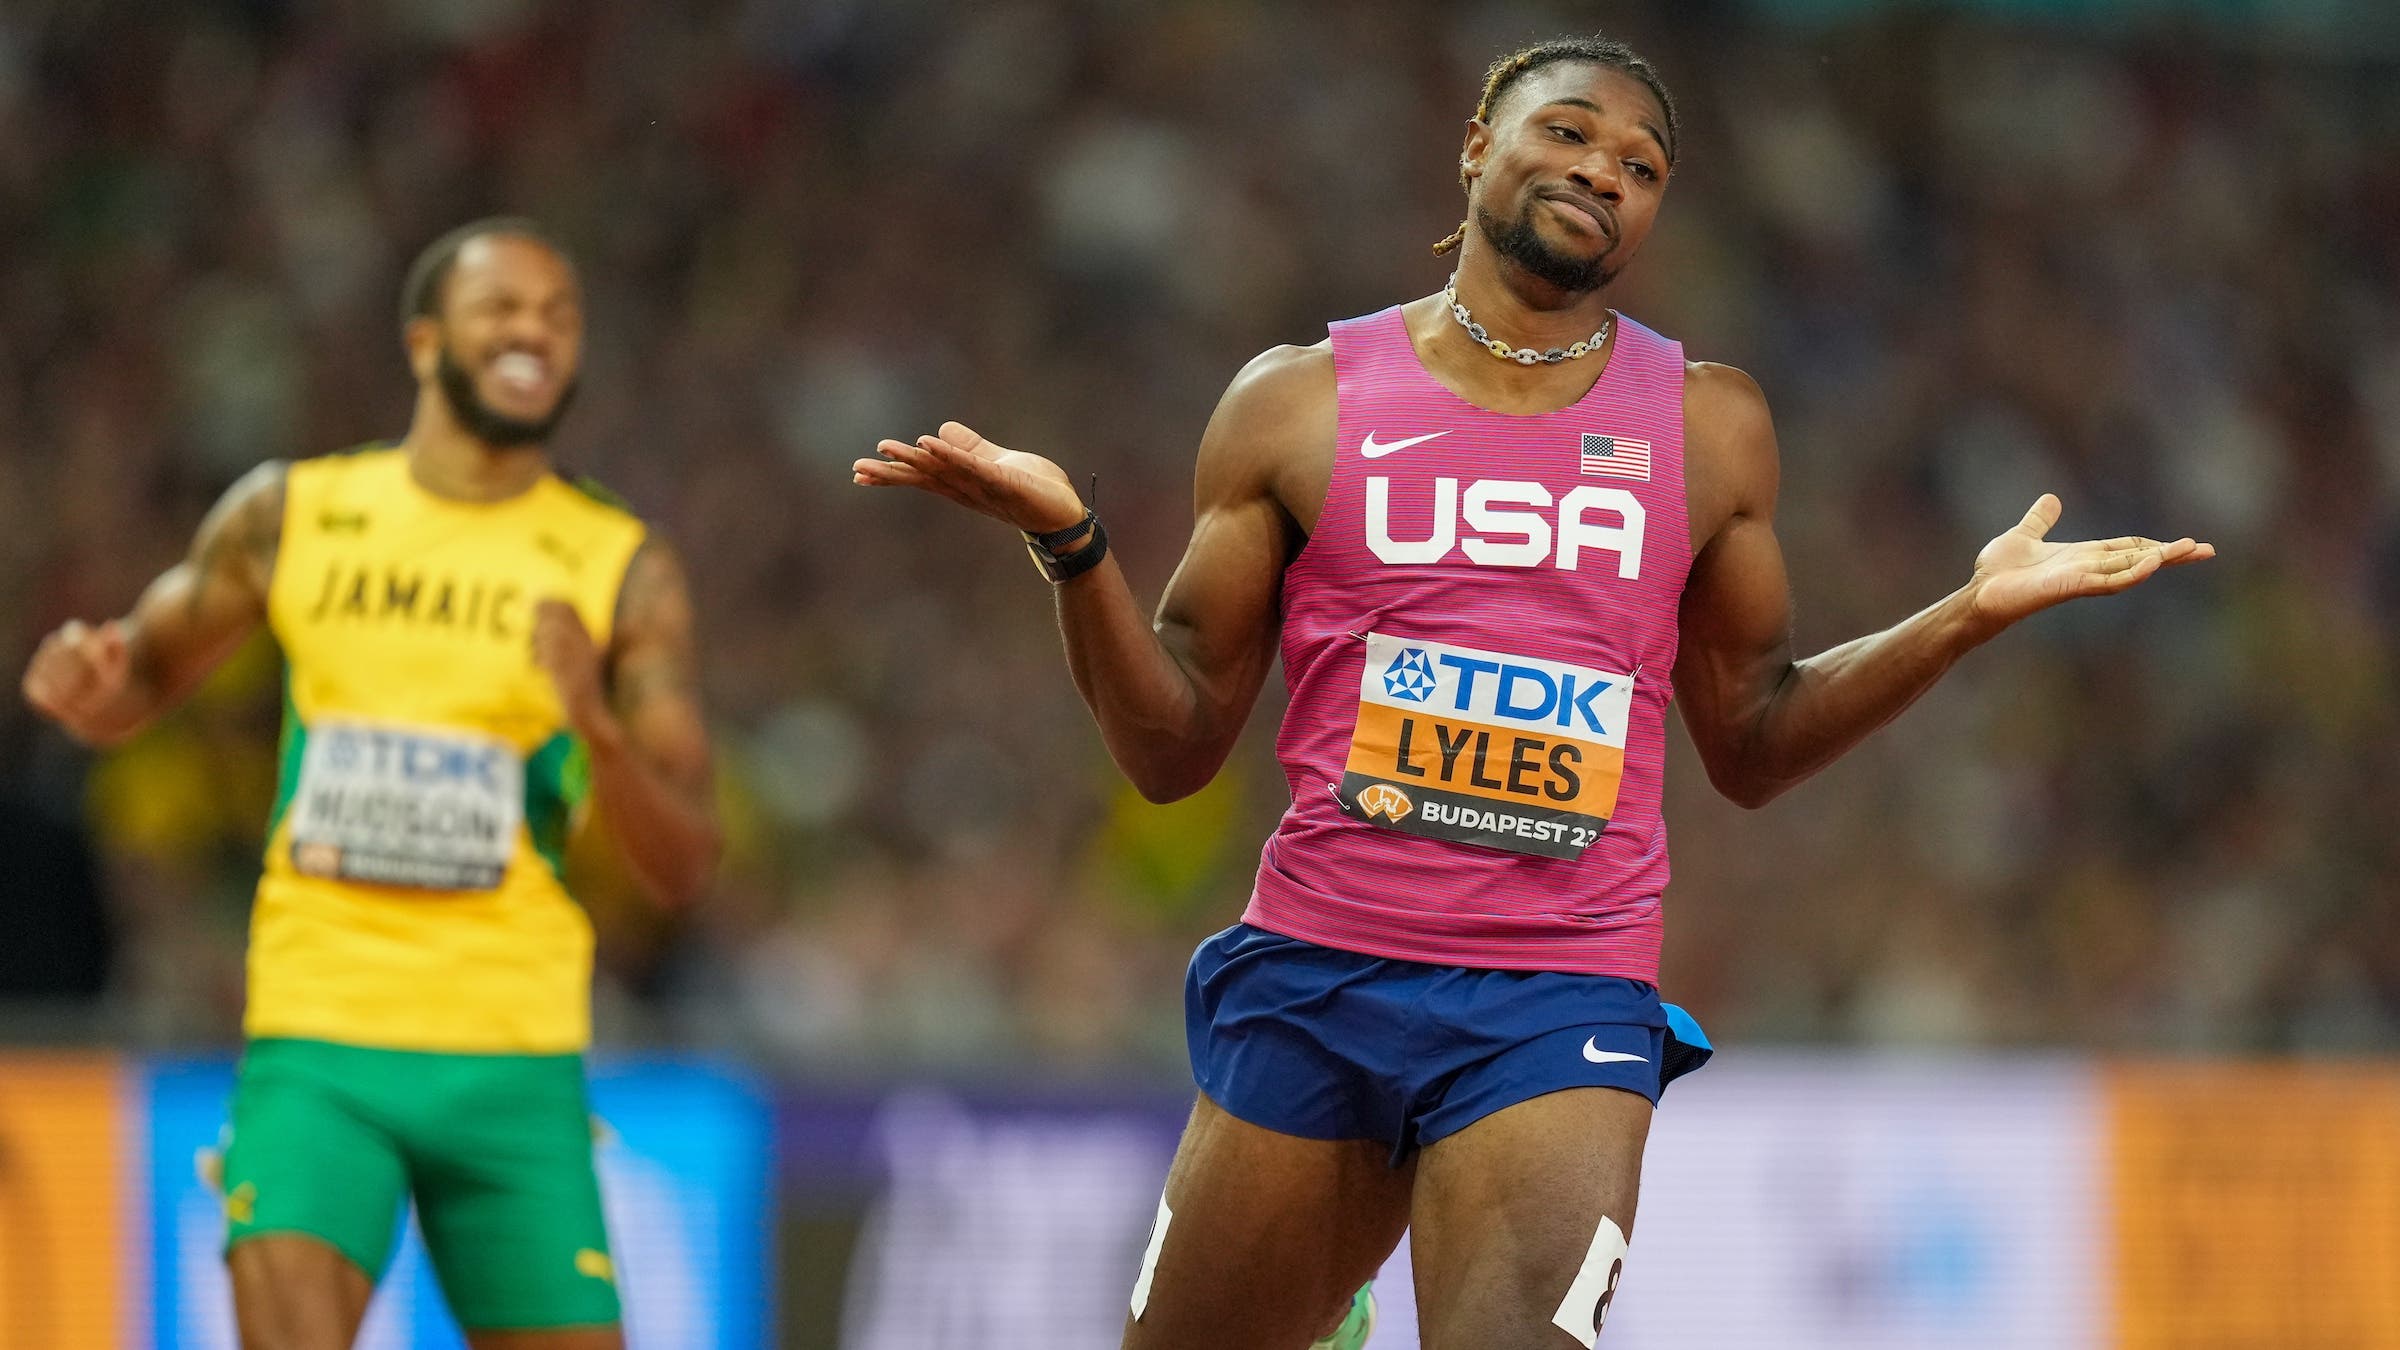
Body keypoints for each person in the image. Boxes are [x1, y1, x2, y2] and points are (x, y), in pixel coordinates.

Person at [859, 32, 2215, 1349]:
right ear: (1475, 149)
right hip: (1321, 968)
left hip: (1556, 996)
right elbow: (1170, 747)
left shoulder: (1708, 423)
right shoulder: (1297, 404)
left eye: (1640, 165)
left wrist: (1964, 616)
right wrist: (1074, 547)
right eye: (1568, 131)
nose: (1604, 171)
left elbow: (1750, 738)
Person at [21, 218, 718, 1350]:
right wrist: (88, 686)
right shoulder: (293, 515)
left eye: (560, 315)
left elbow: (685, 858)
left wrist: (596, 721)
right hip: (321, 1038)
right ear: (425, 341)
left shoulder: (619, 567)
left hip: (516, 1061)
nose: (534, 331)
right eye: (505, 308)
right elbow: (135, 681)